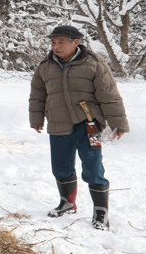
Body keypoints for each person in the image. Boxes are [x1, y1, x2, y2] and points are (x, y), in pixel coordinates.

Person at [29, 25, 128, 230]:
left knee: (93, 168)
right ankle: (67, 203)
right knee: (60, 167)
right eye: (53, 42)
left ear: (76, 42)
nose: (55, 46)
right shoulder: (45, 66)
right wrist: (36, 118)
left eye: (61, 42)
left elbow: (109, 95)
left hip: (87, 125)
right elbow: (38, 95)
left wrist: (118, 123)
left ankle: (101, 211)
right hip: (57, 124)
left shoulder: (94, 63)